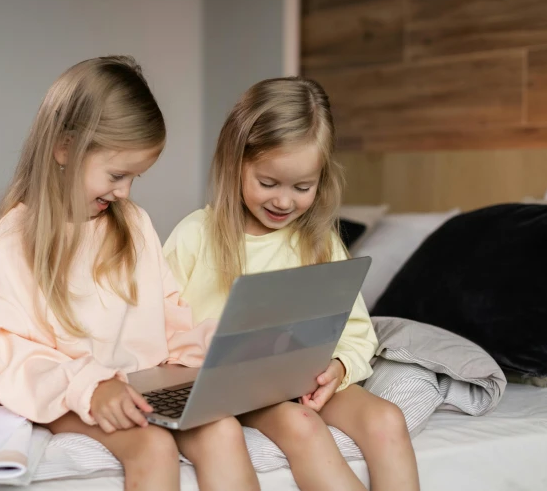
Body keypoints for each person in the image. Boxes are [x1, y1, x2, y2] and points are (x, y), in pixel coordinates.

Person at [0, 56, 259, 491]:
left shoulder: (134, 223)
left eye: (134, 177)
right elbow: (14, 355)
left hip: (140, 385)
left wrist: (222, 351)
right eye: (117, 174)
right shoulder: (17, 237)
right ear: (65, 148)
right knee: (152, 447)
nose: (124, 191)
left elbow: (171, 320)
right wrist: (93, 386)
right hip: (69, 390)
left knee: (223, 429)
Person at [164, 76, 420, 491]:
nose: (284, 201)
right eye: (268, 183)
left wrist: (338, 368)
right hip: (234, 390)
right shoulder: (195, 236)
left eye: (303, 187)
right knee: (299, 425)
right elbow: (157, 332)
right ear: (235, 163)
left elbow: (356, 333)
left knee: (387, 419)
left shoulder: (318, 241)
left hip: (303, 379)